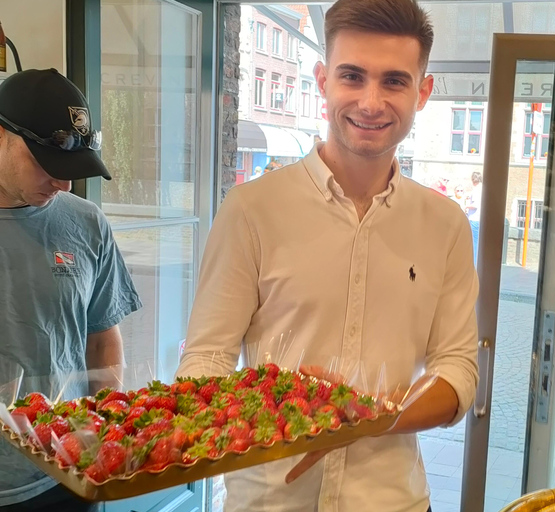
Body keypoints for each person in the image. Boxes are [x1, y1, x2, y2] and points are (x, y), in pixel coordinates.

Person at [176, 0, 479, 511]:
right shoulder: (252, 209)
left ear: (422, 91)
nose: (370, 101)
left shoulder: (445, 225)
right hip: (270, 502)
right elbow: (205, 358)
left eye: (394, 81)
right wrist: (281, 410)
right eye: (352, 76)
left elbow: (458, 372)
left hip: (392, 501)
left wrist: (360, 416)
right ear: (322, 80)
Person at [0, 69, 142, 511]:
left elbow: (102, 339)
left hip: (68, 474)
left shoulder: (86, 223)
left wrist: (101, 433)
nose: (63, 184)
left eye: (72, 171)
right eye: (48, 165)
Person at [466, 171, 483, 265]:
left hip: (474, 219)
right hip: (478, 219)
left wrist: (466, 206)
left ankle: (473, 265)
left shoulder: (476, 190)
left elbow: (475, 205)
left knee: (474, 244)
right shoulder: (483, 189)